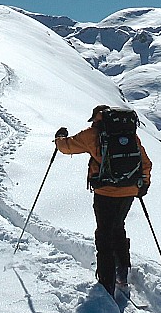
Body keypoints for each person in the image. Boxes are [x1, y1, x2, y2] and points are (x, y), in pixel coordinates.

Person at [54, 105, 152, 298]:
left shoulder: (93, 134)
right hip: (129, 191)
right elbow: (145, 162)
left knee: (104, 234)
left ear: (97, 118)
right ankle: (122, 274)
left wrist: (59, 137)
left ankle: (106, 283)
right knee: (118, 228)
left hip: (105, 192)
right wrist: (144, 184)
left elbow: (66, 147)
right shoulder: (130, 134)